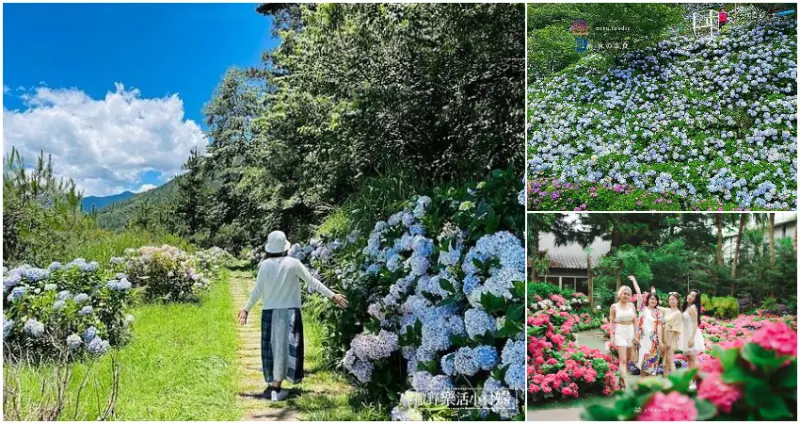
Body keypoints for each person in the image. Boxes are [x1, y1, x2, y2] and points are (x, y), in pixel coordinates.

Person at [238, 231, 349, 401]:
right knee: (286, 349)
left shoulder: (264, 266)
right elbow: (313, 282)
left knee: (273, 349)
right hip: (290, 313)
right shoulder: (294, 263)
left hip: (269, 313)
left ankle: (275, 387)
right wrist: (333, 296)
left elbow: (257, 291)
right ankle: (276, 389)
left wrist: (246, 309)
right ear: (285, 247)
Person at [628, 276, 662, 376]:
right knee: (642, 364)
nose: (653, 301)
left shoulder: (658, 312)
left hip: (654, 342)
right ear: (647, 300)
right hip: (642, 341)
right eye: (651, 299)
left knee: (652, 366)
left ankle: (651, 388)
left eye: (655, 299)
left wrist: (660, 341)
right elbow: (638, 292)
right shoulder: (642, 308)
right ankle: (642, 386)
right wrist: (634, 280)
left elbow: (659, 327)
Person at [609, 286, 638, 388]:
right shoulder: (614, 307)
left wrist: (636, 335)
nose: (626, 295)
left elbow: (635, 321)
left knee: (627, 360)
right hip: (620, 331)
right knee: (623, 359)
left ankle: (621, 381)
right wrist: (612, 336)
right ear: (620, 294)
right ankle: (626, 385)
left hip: (630, 331)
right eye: (624, 293)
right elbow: (611, 322)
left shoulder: (631, 306)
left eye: (628, 294)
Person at [680, 289, 705, 388]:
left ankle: (697, 380)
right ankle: (691, 380)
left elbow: (695, 323)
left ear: (695, 299)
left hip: (692, 334)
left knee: (694, 359)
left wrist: (692, 338)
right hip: (686, 334)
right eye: (689, 294)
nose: (690, 296)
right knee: (689, 359)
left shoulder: (693, 308)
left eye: (693, 296)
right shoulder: (687, 307)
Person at [660, 292, 683, 378]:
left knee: (670, 359)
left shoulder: (678, 313)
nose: (671, 301)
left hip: (671, 337)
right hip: (663, 335)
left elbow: (675, 328)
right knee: (664, 359)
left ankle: (675, 380)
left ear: (677, 300)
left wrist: (669, 341)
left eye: (673, 299)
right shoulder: (667, 310)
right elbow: (657, 305)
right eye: (670, 299)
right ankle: (666, 378)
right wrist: (653, 293)